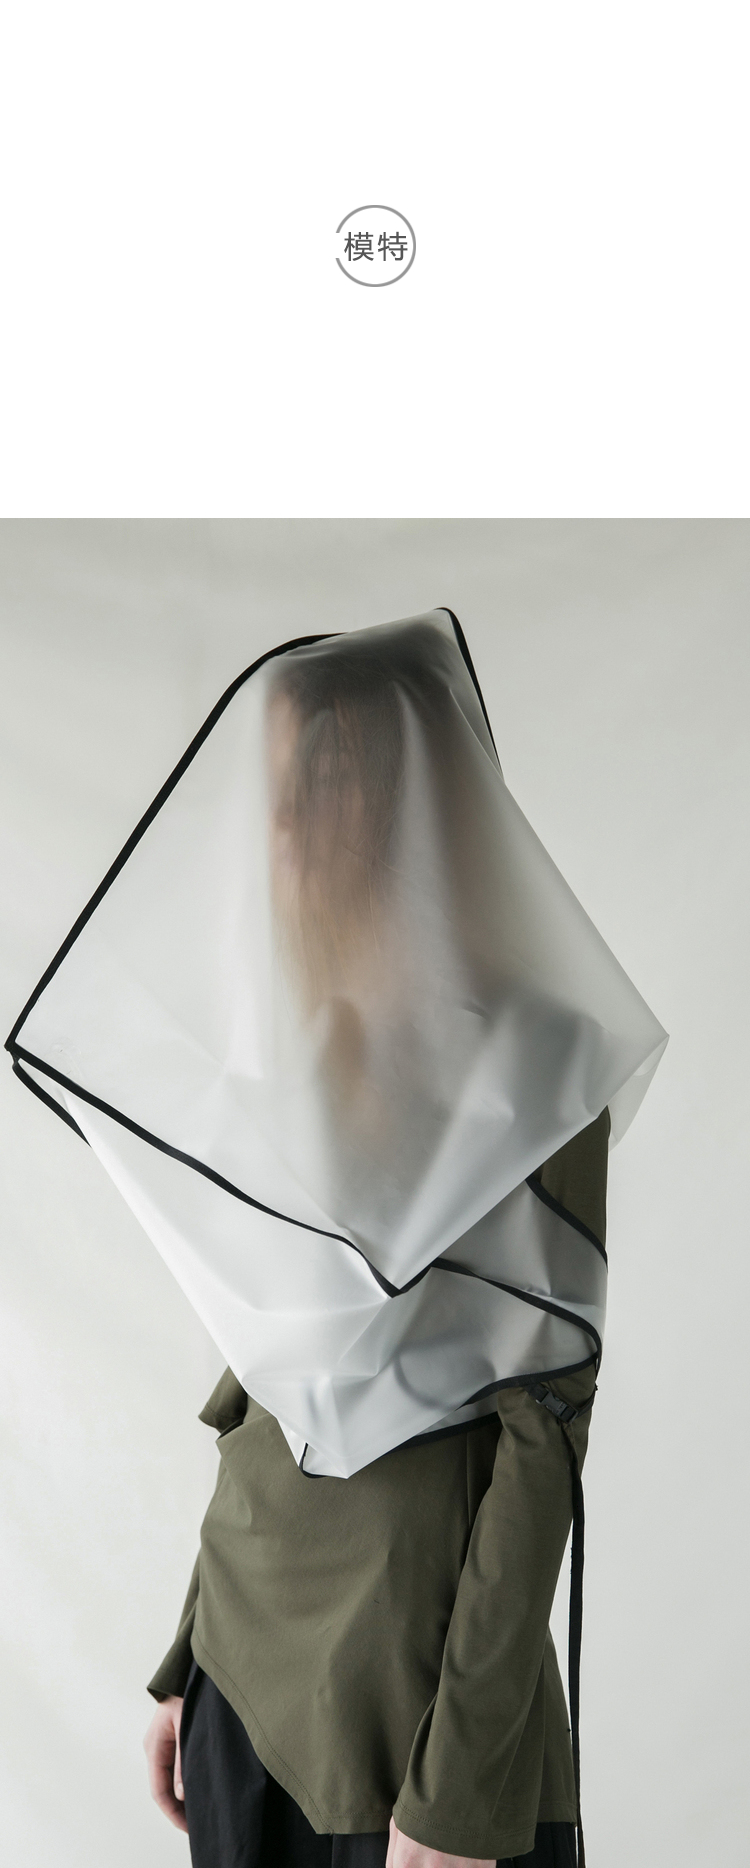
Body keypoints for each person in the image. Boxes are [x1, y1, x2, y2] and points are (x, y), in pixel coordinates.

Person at [142, 625, 612, 1867]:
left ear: (408, 805)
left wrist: (460, 1785)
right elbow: (271, 1370)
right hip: (242, 1682)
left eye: (318, 782)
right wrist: (188, 1649)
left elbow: (544, 1428)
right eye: (276, 789)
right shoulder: (307, 1043)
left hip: (409, 1712)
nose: (277, 828)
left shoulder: (537, 1063)